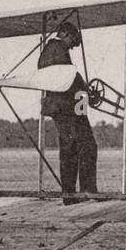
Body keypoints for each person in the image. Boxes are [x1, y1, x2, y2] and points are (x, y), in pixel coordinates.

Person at [39, 21, 97, 203]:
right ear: (64, 34)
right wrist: (85, 89)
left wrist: (83, 92)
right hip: (65, 108)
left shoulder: (53, 50)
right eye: (72, 39)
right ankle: (85, 191)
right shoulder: (56, 49)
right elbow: (68, 76)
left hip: (66, 107)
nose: (73, 44)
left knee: (71, 148)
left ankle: (71, 194)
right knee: (85, 146)